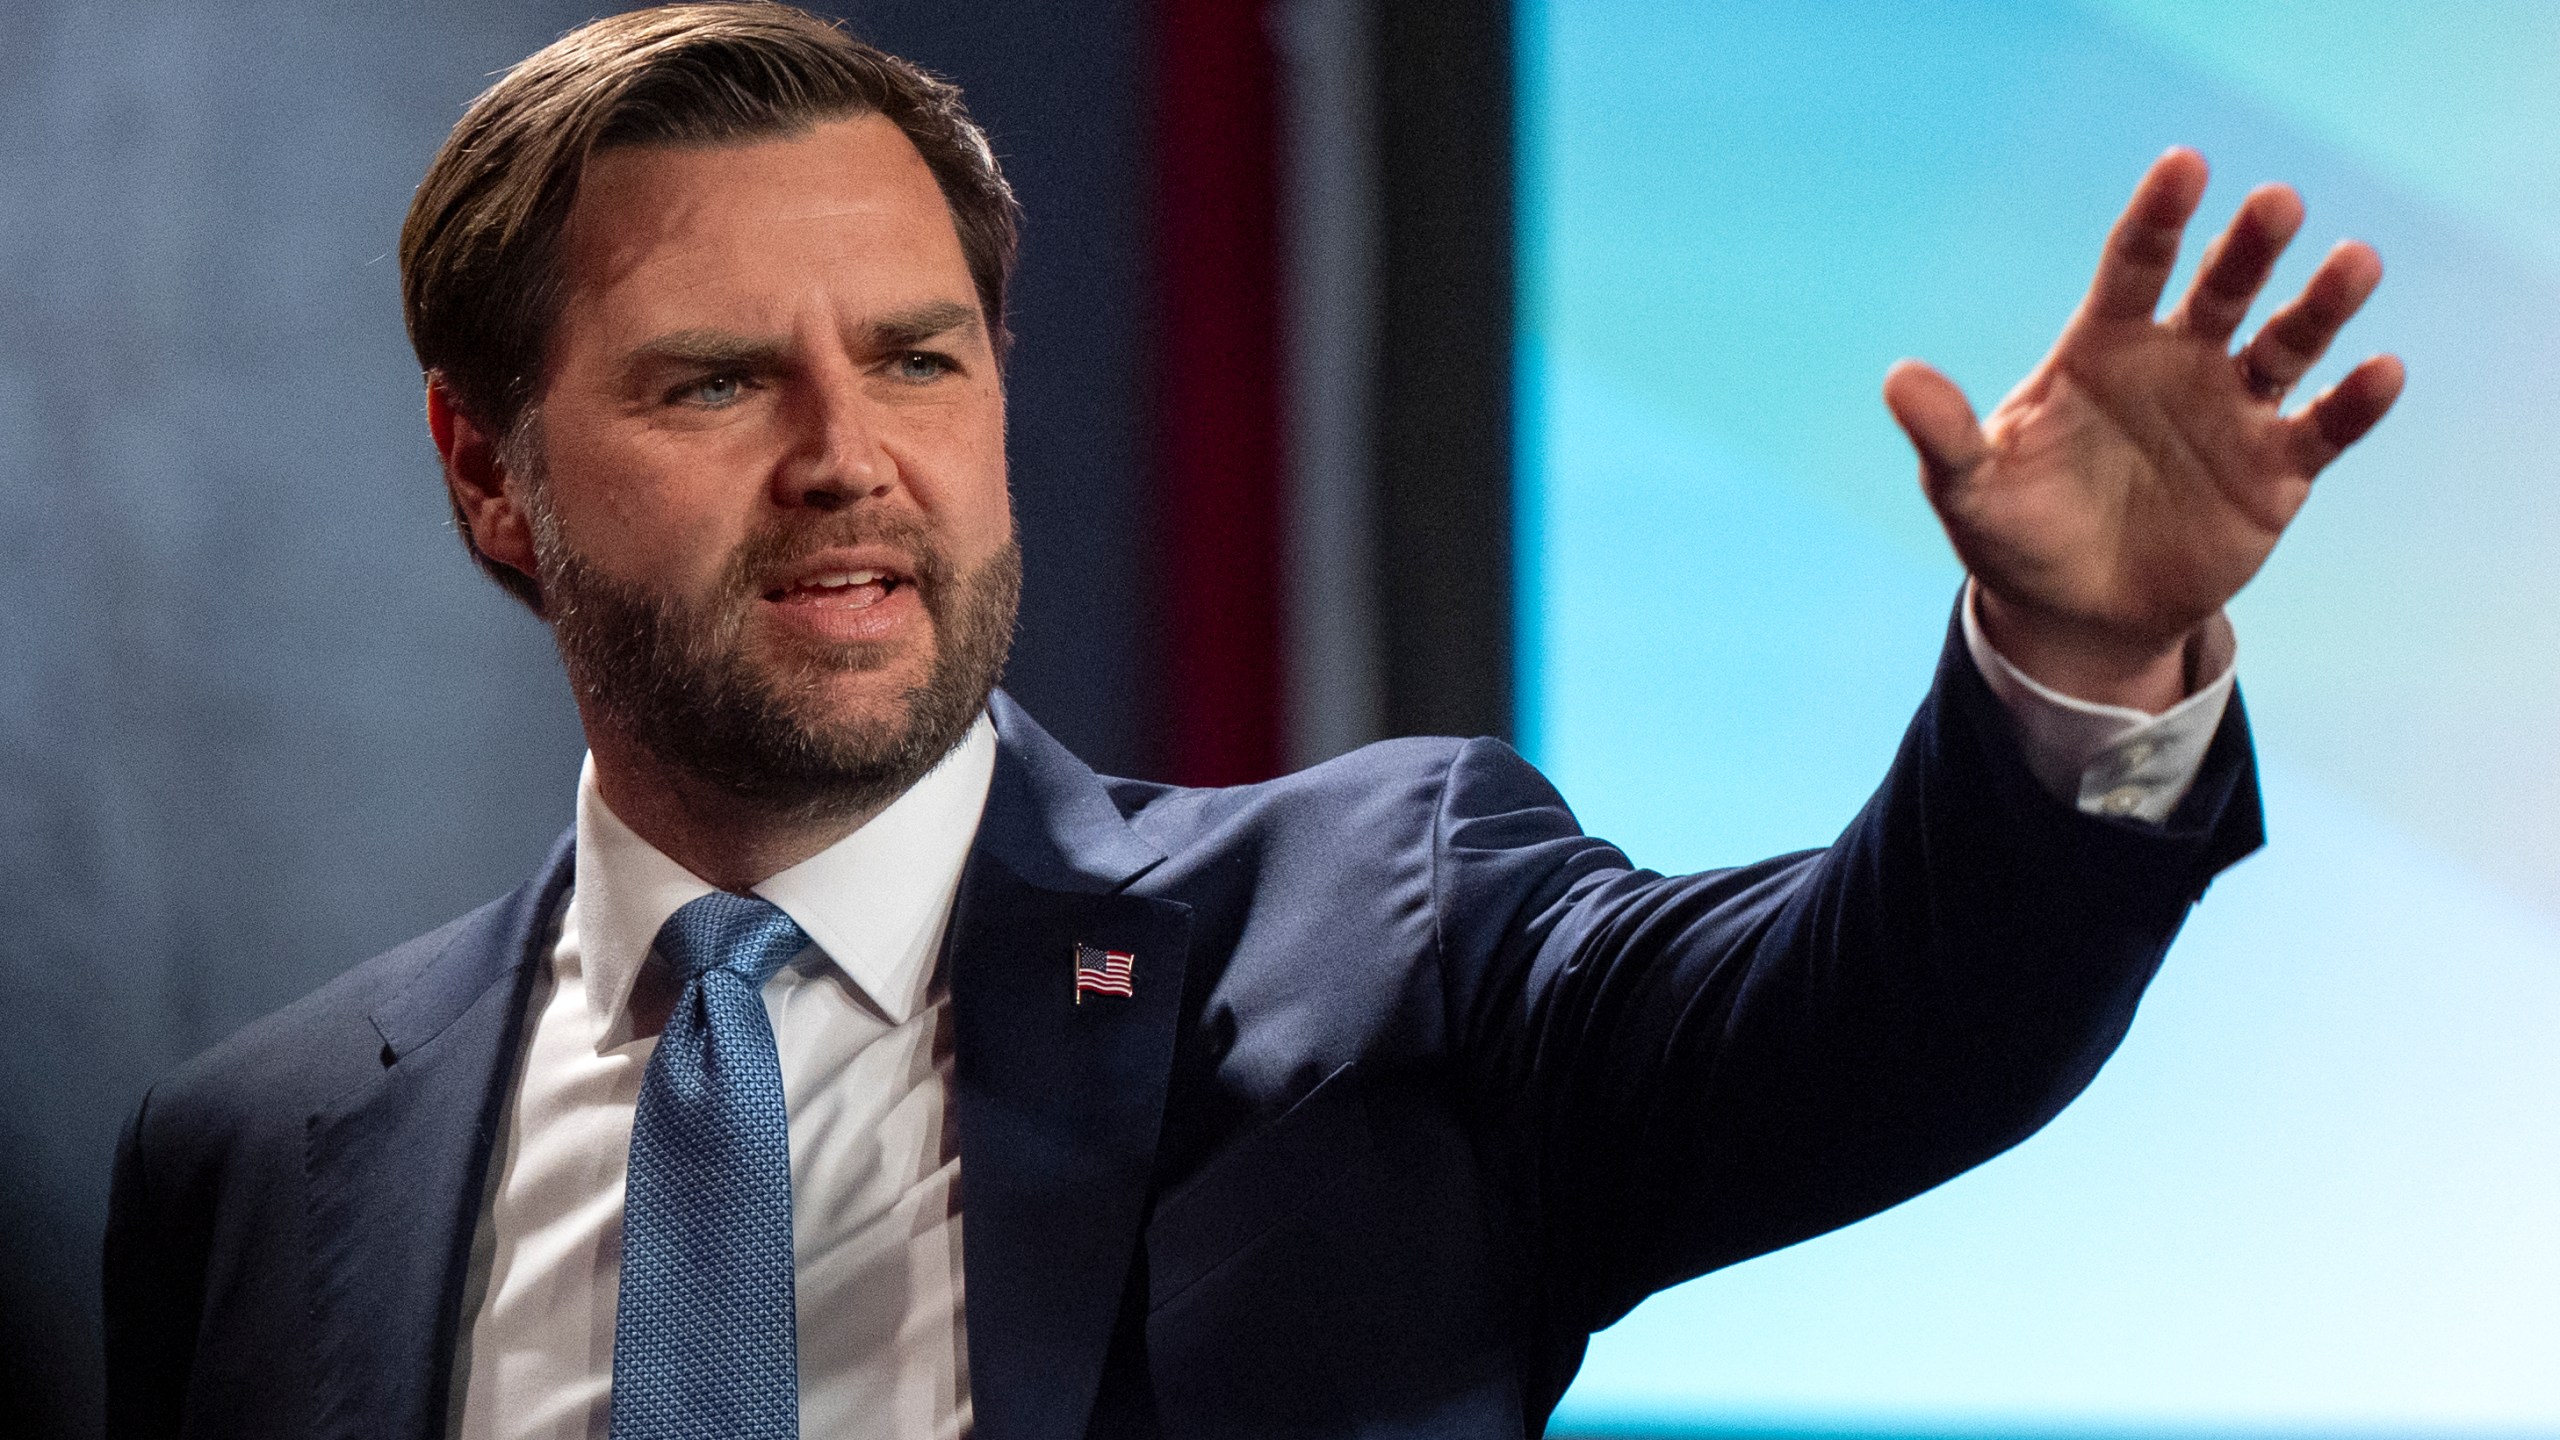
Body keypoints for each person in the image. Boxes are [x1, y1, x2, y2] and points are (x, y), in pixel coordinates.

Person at [99, 5, 2401, 1439]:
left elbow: (1867, 1024)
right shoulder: (258, 1155)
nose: (847, 456)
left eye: (917, 356)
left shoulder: (1368, 927)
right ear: (487, 470)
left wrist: (2073, 674)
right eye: (714, 380)